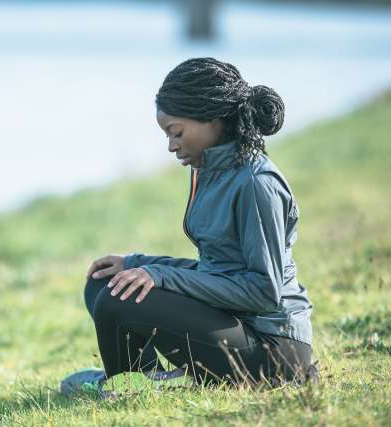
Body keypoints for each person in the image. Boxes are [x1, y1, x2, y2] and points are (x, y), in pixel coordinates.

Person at [62, 57, 316, 397]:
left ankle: (123, 387)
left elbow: (262, 291)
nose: (171, 145)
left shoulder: (256, 183)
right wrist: (137, 263)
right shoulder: (211, 172)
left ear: (212, 118)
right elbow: (219, 272)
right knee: (105, 282)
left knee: (115, 300)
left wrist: (161, 275)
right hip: (234, 322)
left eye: (176, 132)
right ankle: (139, 380)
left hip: (274, 351)